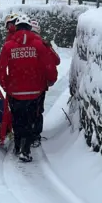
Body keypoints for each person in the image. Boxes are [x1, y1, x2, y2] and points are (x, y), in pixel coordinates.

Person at [0, 14, 58, 162]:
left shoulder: (9, 45)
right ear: (30, 28)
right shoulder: (38, 44)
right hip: (35, 90)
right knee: (30, 119)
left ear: (16, 28)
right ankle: (26, 149)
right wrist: (51, 80)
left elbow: (0, 69)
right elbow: (49, 65)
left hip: (15, 90)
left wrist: (6, 85)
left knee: (17, 118)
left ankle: (17, 144)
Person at [29, 19, 61, 148]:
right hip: (39, 84)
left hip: (19, 83)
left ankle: (22, 134)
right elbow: (56, 60)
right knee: (37, 110)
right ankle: (35, 135)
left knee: (21, 110)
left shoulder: (17, 43)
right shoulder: (43, 44)